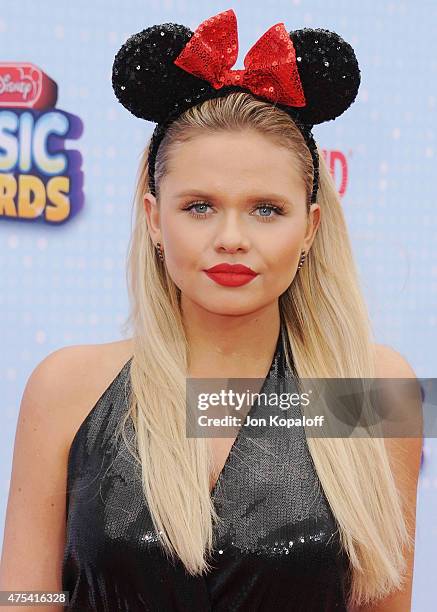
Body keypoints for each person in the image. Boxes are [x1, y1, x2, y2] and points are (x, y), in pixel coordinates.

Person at [0, 9, 422, 612]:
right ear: (153, 219)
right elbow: (23, 595)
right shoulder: (65, 386)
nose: (231, 238)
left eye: (266, 209)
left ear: (311, 227)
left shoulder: (373, 390)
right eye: (199, 206)